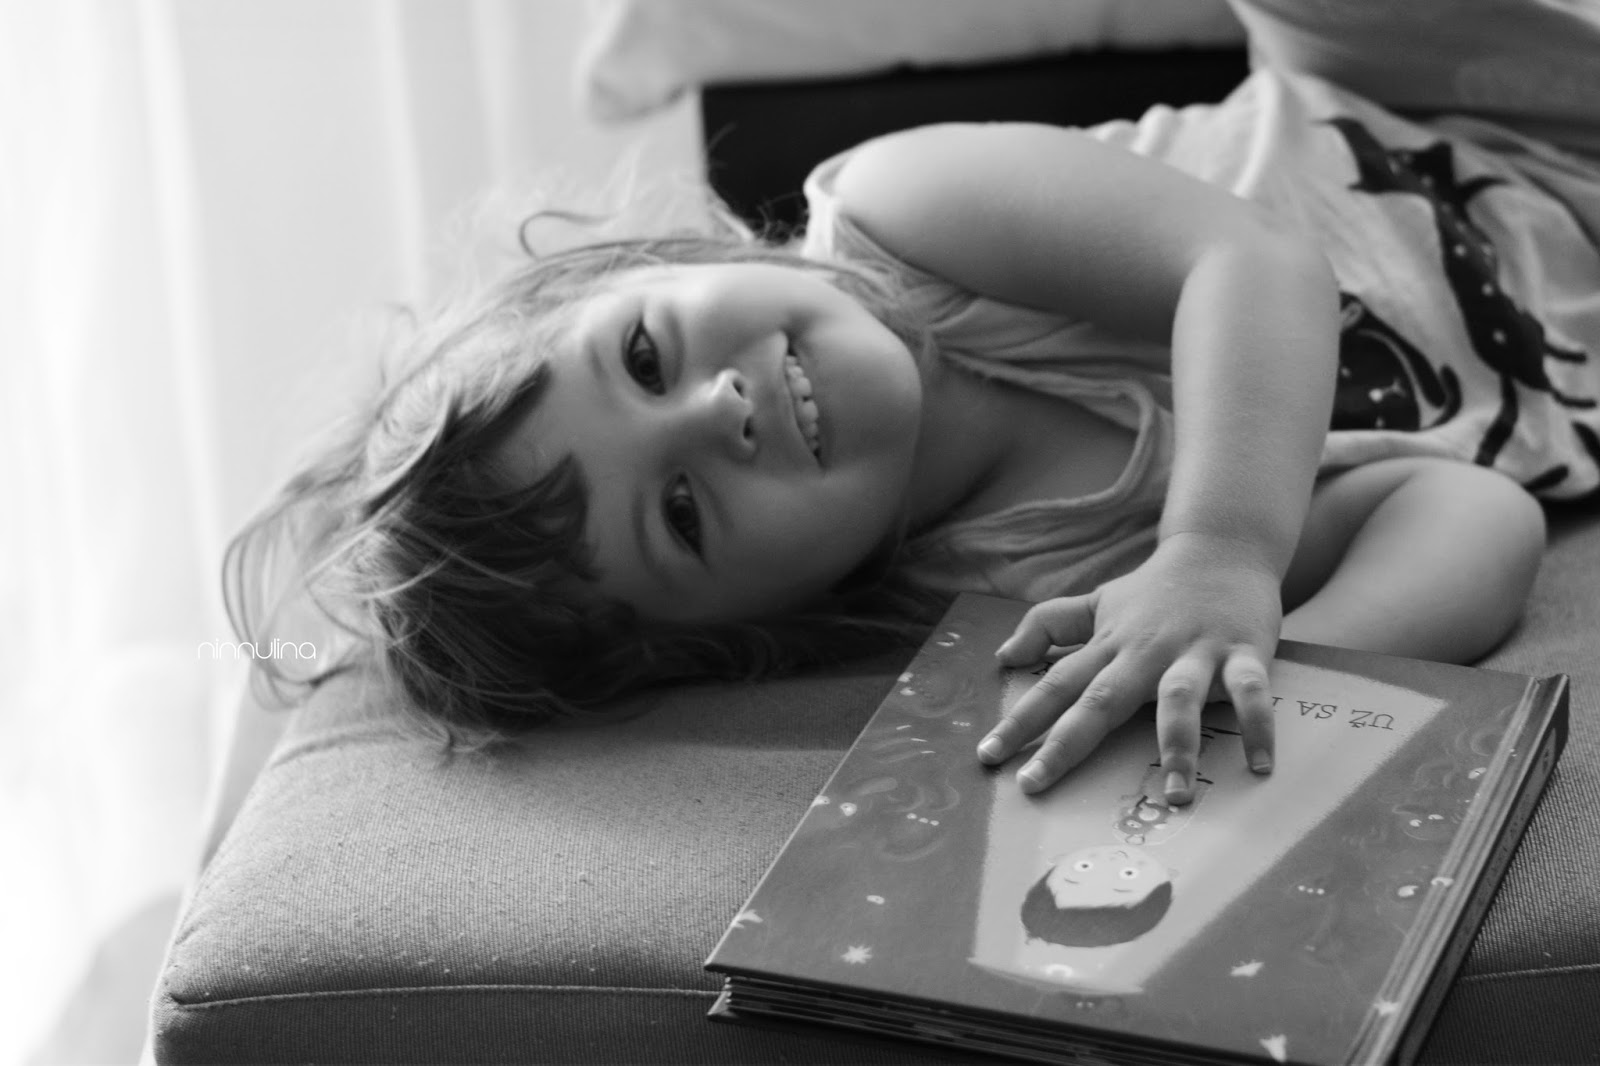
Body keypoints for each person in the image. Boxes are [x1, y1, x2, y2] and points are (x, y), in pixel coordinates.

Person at [225, 4, 1600, 808]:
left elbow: (1252, 265)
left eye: (643, 355)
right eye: (684, 512)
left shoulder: (900, 217)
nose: (718, 408)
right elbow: (1465, 511)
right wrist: (1268, 663)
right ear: (751, 630)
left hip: (1465, 101)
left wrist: (1221, 549)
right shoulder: (1008, 592)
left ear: (649, 264)